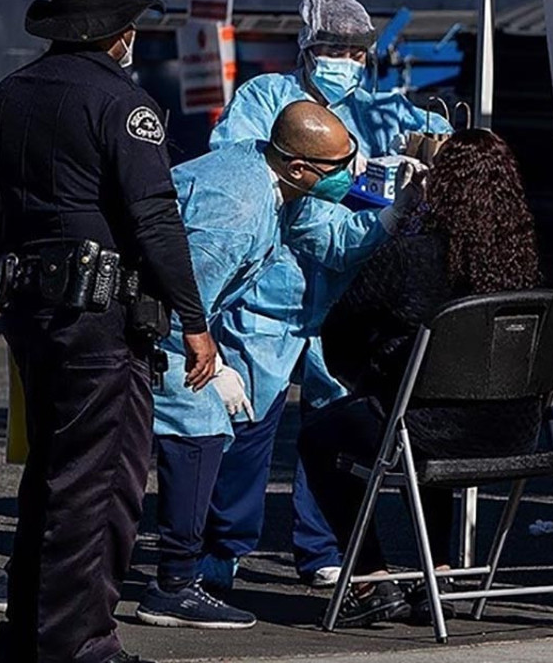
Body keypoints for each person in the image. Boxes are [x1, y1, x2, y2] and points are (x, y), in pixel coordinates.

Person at [0, 0, 216, 663]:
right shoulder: (122, 105)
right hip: (98, 318)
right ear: (118, 34)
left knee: (52, 476)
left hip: (28, 307)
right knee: (101, 488)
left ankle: (30, 639)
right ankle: (81, 646)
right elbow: (155, 220)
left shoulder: (4, 97)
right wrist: (195, 321)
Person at [201, 0, 452, 590]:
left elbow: (431, 138)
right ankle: (220, 552)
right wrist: (353, 192)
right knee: (246, 431)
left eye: (356, 52)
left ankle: (322, 551)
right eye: (333, 50)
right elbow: (242, 170)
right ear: (307, 50)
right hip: (267, 295)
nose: (346, 62)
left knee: (330, 429)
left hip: (339, 300)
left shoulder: (374, 112)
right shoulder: (265, 98)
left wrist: (421, 156)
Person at [135, 100, 420, 628]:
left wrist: (394, 212)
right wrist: (211, 359)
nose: (351, 173)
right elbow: (180, 296)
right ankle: (174, 584)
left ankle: (159, 577)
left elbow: (331, 241)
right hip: (149, 320)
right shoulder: (238, 208)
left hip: (176, 318)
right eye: (341, 165)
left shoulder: (284, 184)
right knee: (194, 434)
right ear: (299, 167)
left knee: (175, 439)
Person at [300, 129, 542, 626]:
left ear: (443, 186)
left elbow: (341, 330)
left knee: (321, 435)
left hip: (423, 427)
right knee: (433, 408)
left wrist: (370, 376)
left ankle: (369, 578)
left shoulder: (411, 256)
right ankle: (441, 571)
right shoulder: (523, 264)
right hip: (514, 430)